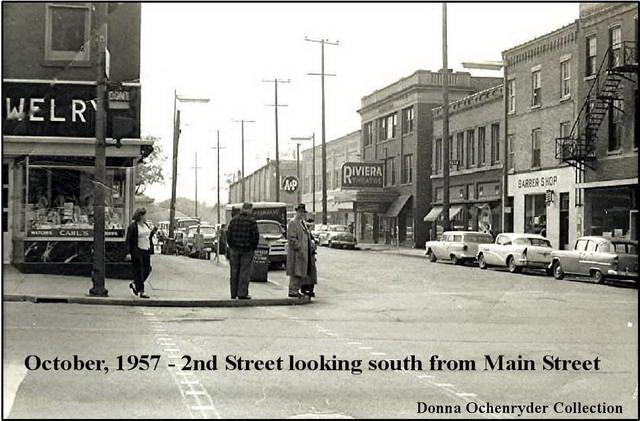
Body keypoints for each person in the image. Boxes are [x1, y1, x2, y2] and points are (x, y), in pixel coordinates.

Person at [225, 203, 260, 299]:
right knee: (244, 272)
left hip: (234, 249)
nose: (252, 211)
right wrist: (252, 247)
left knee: (234, 271)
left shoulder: (234, 220)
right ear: (248, 210)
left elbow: (228, 235)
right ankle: (242, 293)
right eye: (251, 209)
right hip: (247, 250)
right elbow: (256, 236)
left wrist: (232, 245)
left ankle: (233, 293)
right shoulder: (252, 221)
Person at [125, 208, 157, 299]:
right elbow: (128, 240)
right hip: (137, 250)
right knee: (139, 270)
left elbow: (148, 236)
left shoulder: (145, 225)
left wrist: (153, 232)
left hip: (146, 250)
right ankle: (141, 291)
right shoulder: (133, 227)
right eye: (145, 215)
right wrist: (128, 253)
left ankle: (135, 283)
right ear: (141, 216)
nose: (146, 217)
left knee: (147, 269)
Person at [287, 203, 317, 298]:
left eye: (303, 212)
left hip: (303, 252)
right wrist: (298, 247)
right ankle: (292, 290)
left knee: (300, 272)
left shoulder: (302, 223)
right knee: (295, 273)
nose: (301, 214)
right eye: (300, 212)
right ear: (296, 212)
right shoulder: (293, 223)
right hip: (297, 253)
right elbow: (292, 238)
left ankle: (296, 290)